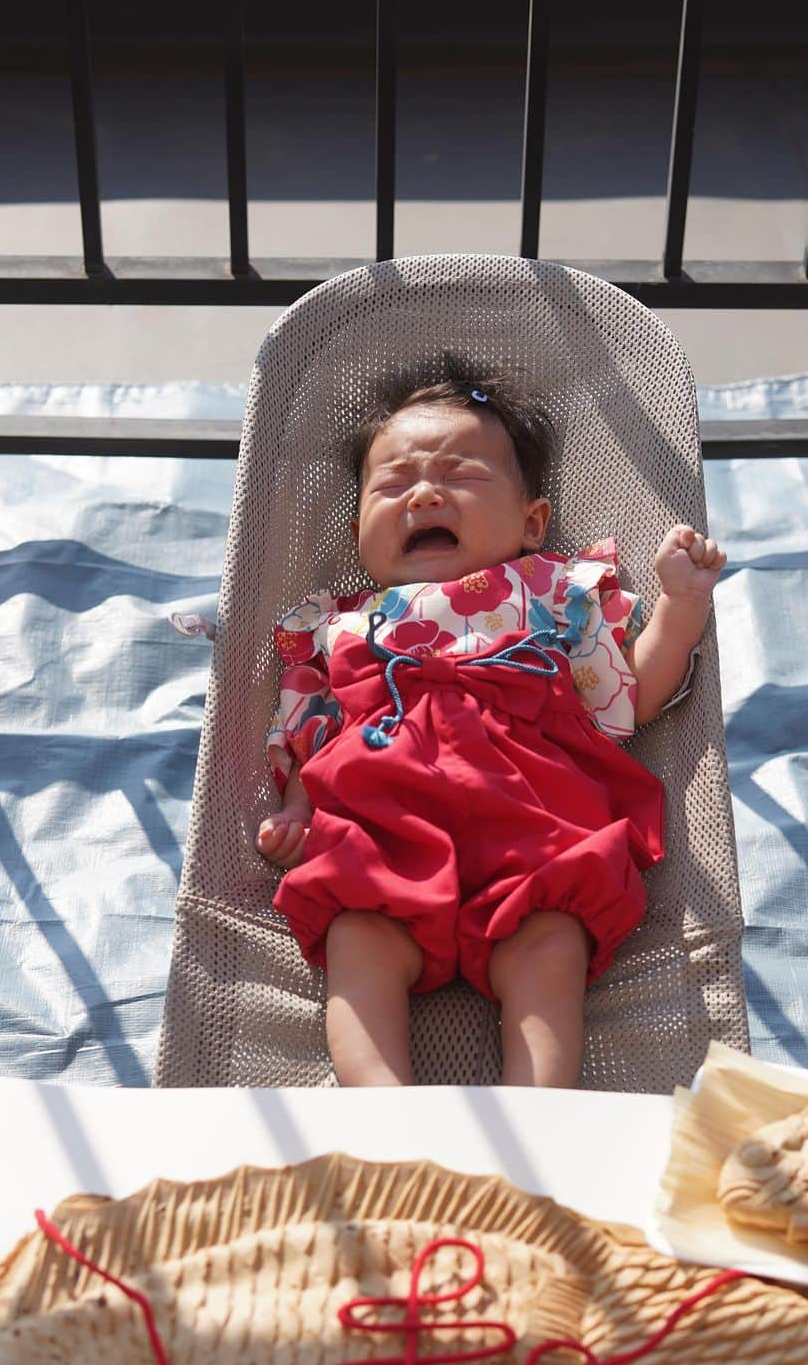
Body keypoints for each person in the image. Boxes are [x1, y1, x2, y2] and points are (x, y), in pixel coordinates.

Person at [257, 360, 725, 1089]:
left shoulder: (552, 593)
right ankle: (384, 1109)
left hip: (533, 828)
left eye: (461, 473)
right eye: (394, 482)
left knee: (550, 946)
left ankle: (535, 1110)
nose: (424, 492)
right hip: (388, 831)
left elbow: (629, 696)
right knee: (357, 936)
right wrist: (297, 809)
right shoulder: (341, 622)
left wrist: (681, 607)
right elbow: (313, 734)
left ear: (532, 523)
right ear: (359, 535)